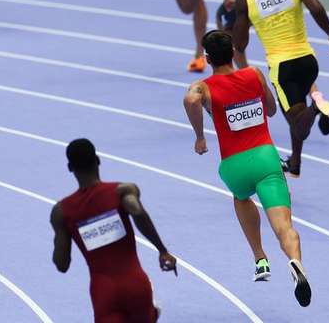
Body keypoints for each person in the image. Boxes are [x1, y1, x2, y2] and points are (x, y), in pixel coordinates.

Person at [183, 30, 311, 307]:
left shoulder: (204, 87)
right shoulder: (254, 74)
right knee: (284, 226)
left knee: (241, 197)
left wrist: (200, 135)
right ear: (232, 53)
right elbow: (273, 110)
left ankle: (259, 256)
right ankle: (295, 262)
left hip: (234, 164)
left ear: (207, 58)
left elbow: (190, 100)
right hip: (265, 158)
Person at [231, 0, 329, 177]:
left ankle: (316, 108)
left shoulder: (246, 0)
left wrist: (247, 21)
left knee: (299, 124)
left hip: (282, 67)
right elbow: (317, 9)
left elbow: (239, 44)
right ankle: (296, 161)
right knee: (296, 108)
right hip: (308, 62)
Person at [50, 138, 178, 322]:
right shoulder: (122, 192)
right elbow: (137, 211)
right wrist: (162, 250)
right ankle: (152, 312)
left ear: (70, 168)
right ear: (98, 160)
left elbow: (62, 265)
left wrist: (63, 233)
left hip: (104, 293)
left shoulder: (62, 212)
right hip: (136, 285)